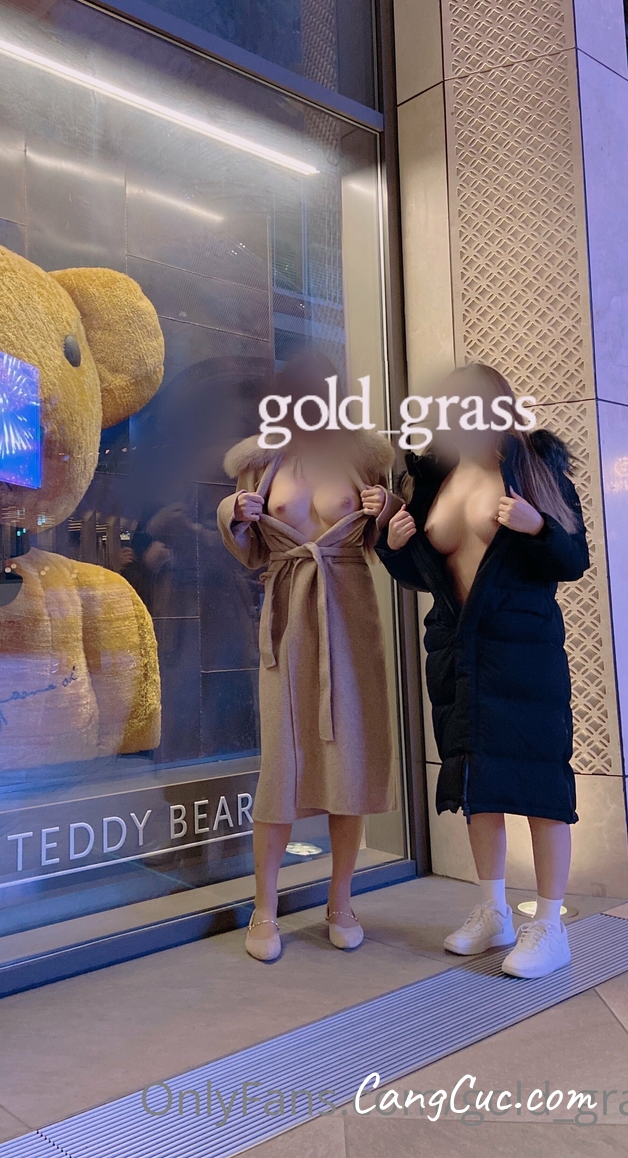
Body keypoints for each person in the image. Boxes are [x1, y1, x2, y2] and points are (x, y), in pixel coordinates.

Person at [364, 363, 589, 979]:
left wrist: (538, 526)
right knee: (476, 785)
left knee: (542, 786)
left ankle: (550, 925)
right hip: (455, 653)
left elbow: (573, 557)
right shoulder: (435, 475)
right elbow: (421, 575)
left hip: (523, 651)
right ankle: (493, 911)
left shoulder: (532, 464)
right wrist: (395, 542)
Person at [217, 352, 396, 962]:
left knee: (349, 759)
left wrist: (385, 510)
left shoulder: (366, 460)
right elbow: (248, 552)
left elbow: (386, 542)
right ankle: (264, 908)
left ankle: (341, 901)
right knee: (281, 764)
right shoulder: (260, 463)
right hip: (288, 617)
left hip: (350, 615)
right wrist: (234, 514)